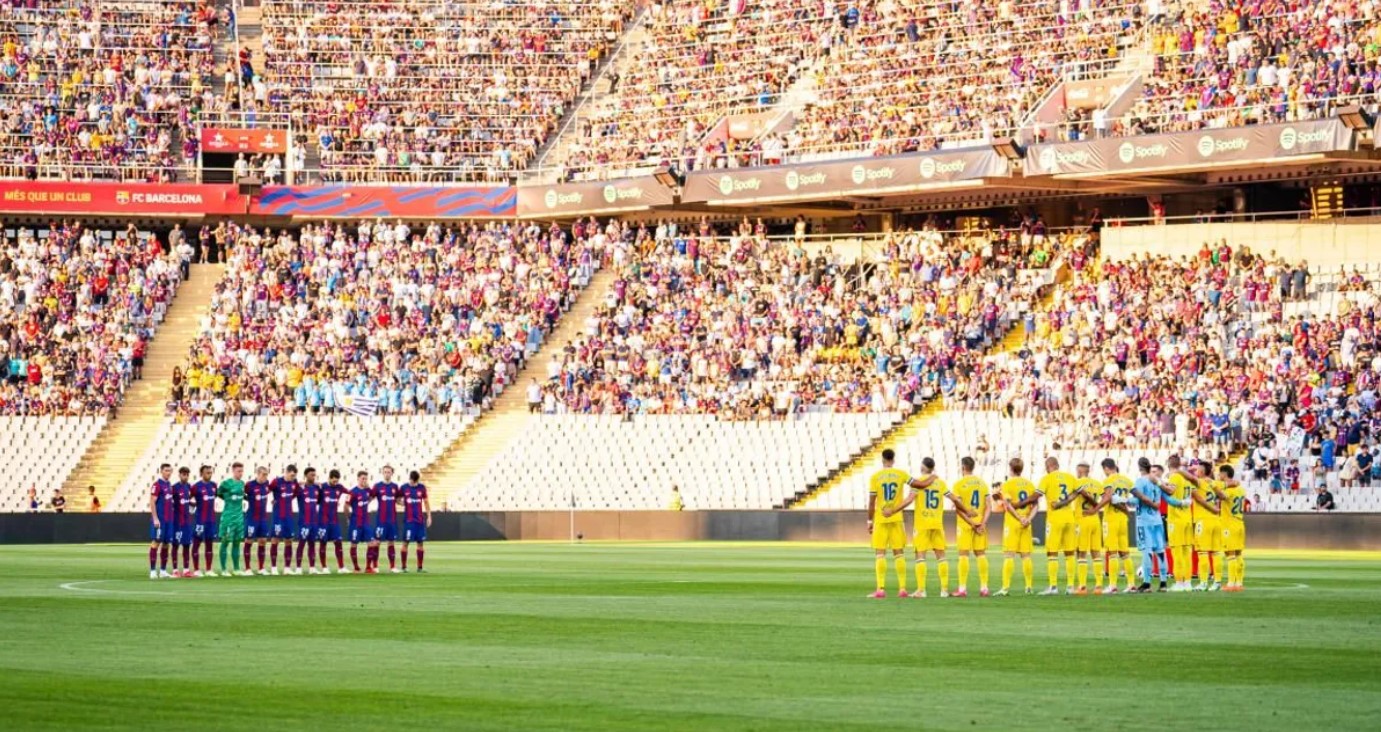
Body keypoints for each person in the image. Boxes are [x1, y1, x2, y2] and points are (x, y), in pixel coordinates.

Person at [886, 456, 963, 598]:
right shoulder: (940, 483)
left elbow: (909, 500)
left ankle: (921, 590)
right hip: (937, 523)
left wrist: (893, 510)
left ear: (922, 467)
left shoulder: (918, 482)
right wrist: (966, 509)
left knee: (920, 555)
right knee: (941, 556)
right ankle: (944, 590)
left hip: (922, 524)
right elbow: (954, 498)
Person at [866, 448, 933, 598]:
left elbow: (872, 502)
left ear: (882, 459)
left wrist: (870, 520)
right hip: (897, 518)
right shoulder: (901, 474)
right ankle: (902, 588)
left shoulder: (875, 477)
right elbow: (919, 485)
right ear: (893, 459)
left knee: (880, 554)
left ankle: (880, 589)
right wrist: (932, 478)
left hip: (881, 518)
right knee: (899, 553)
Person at [995, 458, 1037, 596]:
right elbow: (1036, 505)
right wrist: (1028, 519)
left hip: (1013, 522)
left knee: (1009, 555)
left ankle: (1005, 588)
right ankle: (1029, 587)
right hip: (1026, 523)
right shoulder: (1030, 484)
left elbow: (1007, 504)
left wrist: (1019, 518)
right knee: (1026, 556)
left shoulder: (1007, 484)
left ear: (1011, 468)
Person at [1037, 457, 1078, 595]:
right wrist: (1065, 502)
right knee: (1070, 553)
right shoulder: (1070, 477)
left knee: (1052, 553)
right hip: (1069, 519)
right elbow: (1078, 492)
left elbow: (1037, 494)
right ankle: (1070, 587)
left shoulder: (1047, 479)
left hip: (1054, 519)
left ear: (1049, 466)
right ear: (1058, 465)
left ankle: (1053, 587)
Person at [950, 456, 990, 597]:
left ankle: (962, 589)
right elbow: (988, 506)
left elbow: (958, 508)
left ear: (963, 467)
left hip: (966, 524)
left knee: (963, 555)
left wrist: (972, 524)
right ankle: (984, 588)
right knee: (981, 554)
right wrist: (982, 523)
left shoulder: (959, 484)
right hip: (980, 523)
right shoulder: (982, 483)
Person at [1099, 459, 1136, 594]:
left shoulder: (1108, 481)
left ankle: (1113, 585)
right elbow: (1134, 498)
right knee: (1125, 553)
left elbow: (1108, 499)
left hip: (1111, 519)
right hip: (1123, 519)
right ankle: (1131, 584)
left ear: (1106, 468)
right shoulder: (1126, 480)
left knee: (1112, 553)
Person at [1162, 455, 1199, 591]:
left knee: (1177, 552)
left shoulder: (1174, 477)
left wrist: (1160, 484)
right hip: (1187, 517)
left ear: (1168, 464)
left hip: (1176, 519)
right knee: (1186, 552)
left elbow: (1170, 491)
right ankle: (1188, 582)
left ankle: (1179, 583)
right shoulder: (1187, 479)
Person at [1071, 462, 1105, 594]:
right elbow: (1104, 499)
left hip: (1082, 520)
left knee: (1081, 553)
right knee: (1096, 552)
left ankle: (1082, 586)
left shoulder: (1077, 483)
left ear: (1079, 471)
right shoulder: (1097, 484)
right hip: (1095, 520)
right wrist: (1096, 508)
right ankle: (1098, 586)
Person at [1191, 461, 1224, 591]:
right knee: (1216, 553)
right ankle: (1217, 582)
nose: (1195, 471)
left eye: (1198, 469)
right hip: (1216, 521)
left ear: (1202, 471)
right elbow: (1222, 496)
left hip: (1203, 520)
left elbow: (1198, 498)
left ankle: (1203, 582)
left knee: (1202, 552)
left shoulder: (1198, 483)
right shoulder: (1214, 483)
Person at [217, 463, 250, 576]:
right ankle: (223, 569)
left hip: (239, 518)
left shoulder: (242, 484)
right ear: (233, 471)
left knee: (237, 543)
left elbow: (244, 496)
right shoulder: (226, 483)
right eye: (238, 471)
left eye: (242, 471)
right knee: (225, 542)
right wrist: (228, 499)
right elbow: (218, 493)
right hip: (228, 517)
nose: (240, 473)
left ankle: (236, 568)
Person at [1219, 466, 1248, 591]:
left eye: (1220, 473)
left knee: (1229, 553)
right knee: (1239, 553)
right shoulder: (1241, 489)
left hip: (1229, 524)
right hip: (1239, 522)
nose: (1218, 475)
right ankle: (1239, 582)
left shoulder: (1229, 490)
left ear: (1224, 474)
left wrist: (1220, 487)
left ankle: (1231, 584)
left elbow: (1221, 496)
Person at [269, 465, 300, 575]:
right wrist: (274, 500)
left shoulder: (294, 483)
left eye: (294, 476)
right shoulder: (276, 481)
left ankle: (287, 568)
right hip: (278, 516)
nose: (293, 477)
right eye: (291, 475)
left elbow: (295, 493)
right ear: (286, 472)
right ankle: (273, 567)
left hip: (289, 516)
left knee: (289, 540)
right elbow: (266, 490)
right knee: (275, 540)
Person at [372, 466, 402, 573]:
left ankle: (392, 567)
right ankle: (375, 566)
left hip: (392, 519)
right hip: (381, 519)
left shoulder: (395, 487)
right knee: (377, 542)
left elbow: (398, 500)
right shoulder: (377, 486)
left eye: (389, 472)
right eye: (385, 472)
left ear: (392, 473)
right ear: (382, 473)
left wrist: (407, 504)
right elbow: (370, 498)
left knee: (391, 542)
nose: (387, 474)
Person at [244, 467, 274, 574]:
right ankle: (247, 568)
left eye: (266, 474)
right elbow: (241, 494)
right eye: (263, 474)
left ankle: (261, 568)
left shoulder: (267, 485)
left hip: (263, 518)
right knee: (249, 541)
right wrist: (247, 499)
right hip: (252, 518)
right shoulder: (249, 485)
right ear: (257, 473)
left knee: (263, 541)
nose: (265, 477)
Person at [400, 471, 431, 573]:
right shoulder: (404, 487)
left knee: (420, 543)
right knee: (405, 543)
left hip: (419, 521)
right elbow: (396, 498)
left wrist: (429, 516)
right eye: (412, 481)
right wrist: (402, 503)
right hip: (409, 521)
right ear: (410, 479)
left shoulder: (421, 488)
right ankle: (404, 567)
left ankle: (420, 567)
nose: (413, 483)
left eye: (415, 482)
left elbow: (426, 502)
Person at [191, 467, 219, 576]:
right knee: (197, 543)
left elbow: (214, 497)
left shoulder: (213, 485)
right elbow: (187, 499)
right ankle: (197, 570)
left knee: (209, 544)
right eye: (207, 473)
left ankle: (208, 569)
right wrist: (193, 506)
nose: (209, 474)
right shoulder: (196, 486)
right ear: (201, 473)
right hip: (200, 520)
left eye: (210, 473)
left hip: (211, 519)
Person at [148, 464, 175, 579]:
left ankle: (163, 570)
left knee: (166, 544)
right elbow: (152, 502)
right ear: (161, 471)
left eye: (170, 471)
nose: (168, 473)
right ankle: (153, 571)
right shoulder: (157, 485)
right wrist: (155, 518)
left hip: (169, 520)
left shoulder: (169, 485)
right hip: (160, 520)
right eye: (166, 470)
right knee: (156, 542)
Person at [319, 469, 348, 573]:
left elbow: (351, 492)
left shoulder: (339, 487)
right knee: (323, 543)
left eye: (337, 481)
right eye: (334, 481)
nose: (335, 483)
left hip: (334, 520)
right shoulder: (322, 487)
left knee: (338, 542)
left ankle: (341, 567)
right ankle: (324, 567)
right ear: (329, 478)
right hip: (323, 520)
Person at [295, 468, 321, 574]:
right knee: (301, 543)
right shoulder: (300, 488)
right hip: (304, 521)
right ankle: (298, 568)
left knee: (312, 544)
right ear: (305, 475)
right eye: (311, 475)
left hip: (314, 521)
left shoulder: (317, 488)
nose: (313, 477)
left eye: (314, 475)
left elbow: (318, 501)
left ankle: (312, 567)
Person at [347, 471, 373, 573]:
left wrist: (369, 486)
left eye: (366, 479)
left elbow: (371, 497)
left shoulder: (367, 491)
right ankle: (356, 567)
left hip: (366, 522)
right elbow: (346, 506)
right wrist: (349, 518)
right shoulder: (352, 491)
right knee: (354, 544)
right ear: (358, 479)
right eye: (362, 478)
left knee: (371, 543)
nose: (364, 480)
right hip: (356, 522)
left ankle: (368, 567)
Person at [171, 472, 194, 577]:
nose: (185, 477)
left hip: (187, 521)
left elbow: (188, 500)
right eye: (183, 475)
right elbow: (170, 502)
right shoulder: (174, 488)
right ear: (179, 475)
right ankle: (175, 570)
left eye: (187, 475)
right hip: (177, 521)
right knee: (175, 545)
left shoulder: (189, 486)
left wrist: (193, 504)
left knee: (186, 545)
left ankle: (186, 570)